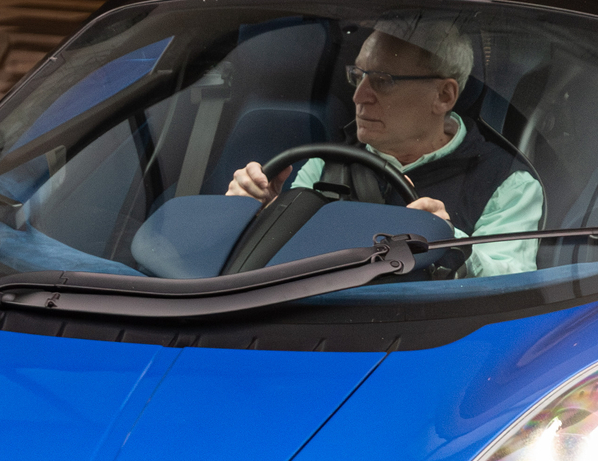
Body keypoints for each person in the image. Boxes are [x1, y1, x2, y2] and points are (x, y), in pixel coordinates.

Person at [225, 14, 545, 276]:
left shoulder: (506, 183)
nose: (359, 96)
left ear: (443, 96)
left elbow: (510, 281)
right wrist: (260, 216)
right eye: (358, 75)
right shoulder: (327, 165)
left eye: (382, 81)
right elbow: (286, 269)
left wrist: (446, 241)